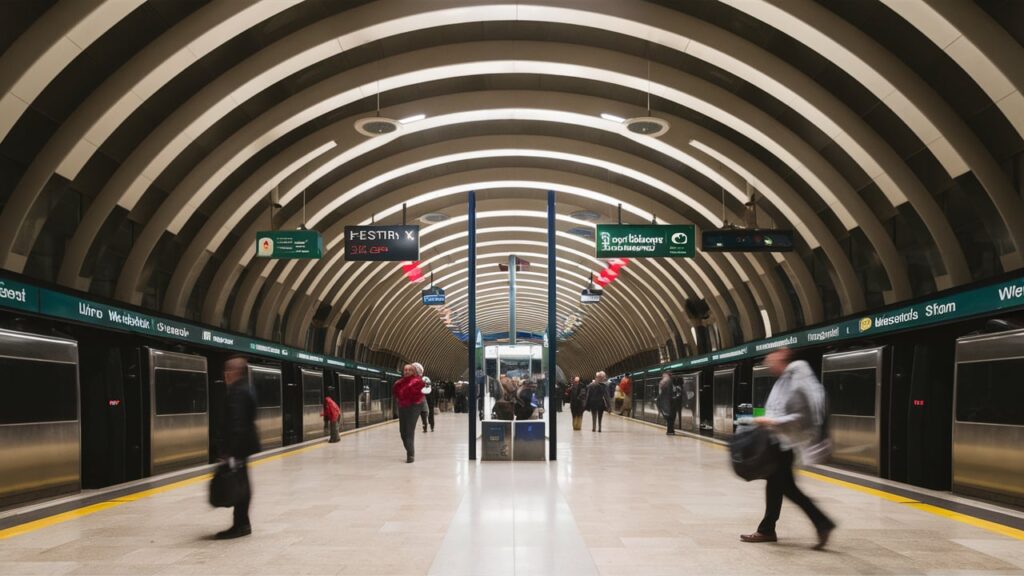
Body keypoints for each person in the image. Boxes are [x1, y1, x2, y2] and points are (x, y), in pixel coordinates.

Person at [741, 348, 835, 549]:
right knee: (777, 486)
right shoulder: (785, 379)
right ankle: (768, 529)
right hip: (779, 443)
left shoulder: (796, 381)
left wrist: (771, 422)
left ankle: (822, 523)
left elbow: (802, 417)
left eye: (770, 360)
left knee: (787, 489)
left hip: (786, 445)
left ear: (782, 358)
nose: (768, 364)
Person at [216, 355, 260, 539]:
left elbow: (237, 421)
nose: (226, 375)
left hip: (239, 445)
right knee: (242, 483)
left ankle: (240, 525)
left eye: (227, 371)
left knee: (239, 485)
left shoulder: (237, 392)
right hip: (245, 444)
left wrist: (230, 450)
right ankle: (242, 523)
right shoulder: (246, 388)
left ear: (234, 372)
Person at [393, 362, 426, 463]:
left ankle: (410, 455)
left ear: (414, 372)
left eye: (409, 370)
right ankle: (410, 450)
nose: (407, 371)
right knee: (402, 432)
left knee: (409, 430)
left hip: (414, 406)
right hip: (402, 406)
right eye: (405, 370)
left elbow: (416, 392)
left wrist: (405, 389)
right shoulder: (399, 382)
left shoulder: (418, 381)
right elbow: (396, 393)